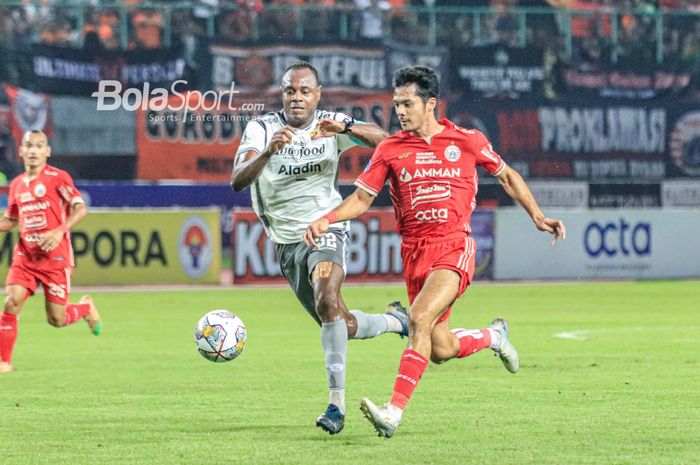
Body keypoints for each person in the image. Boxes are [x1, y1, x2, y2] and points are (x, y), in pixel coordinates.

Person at [304, 66, 566, 438]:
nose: (400, 111)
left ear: (430, 104)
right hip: (414, 254)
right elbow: (362, 199)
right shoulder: (390, 149)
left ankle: (392, 412)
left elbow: (507, 175)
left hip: (454, 246)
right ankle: (493, 336)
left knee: (419, 318)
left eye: (407, 103)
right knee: (440, 347)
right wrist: (326, 219)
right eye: (396, 104)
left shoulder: (468, 140)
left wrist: (538, 216)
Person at [230, 61, 409, 435]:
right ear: (282, 94)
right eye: (290, 91)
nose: (297, 97)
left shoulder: (329, 123)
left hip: (327, 228)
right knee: (339, 323)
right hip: (286, 241)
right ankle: (396, 321)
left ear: (318, 94)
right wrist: (267, 154)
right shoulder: (261, 129)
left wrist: (346, 127)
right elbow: (237, 181)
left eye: (304, 91)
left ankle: (336, 405)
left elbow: (387, 141)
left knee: (327, 299)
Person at [0, 130, 102, 374]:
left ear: (48, 151)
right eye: (29, 146)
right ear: (21, 151)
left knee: (56, 319)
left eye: (39, 146)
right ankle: (4, 362)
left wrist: (60, 230)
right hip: (25, 256)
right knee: (11, 302)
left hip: (55, 258)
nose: (33, 150)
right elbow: (10, 220)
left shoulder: (58, 178)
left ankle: (86, 308)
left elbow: (80, 208)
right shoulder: (16, 185)